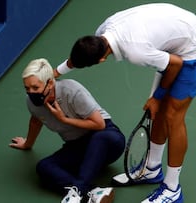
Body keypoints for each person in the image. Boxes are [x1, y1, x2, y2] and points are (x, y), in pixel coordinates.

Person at [53, 3, 196, 203]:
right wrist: (54, 73)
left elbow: (176, 64)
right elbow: (76, 59)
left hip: (194, 48)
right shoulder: (101, 33)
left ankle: (172, 190)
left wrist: (156, 98)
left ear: (102, 60)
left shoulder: (136, 51)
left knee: (172, 116)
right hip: (172, 40)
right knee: (158, 112)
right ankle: (151, 169)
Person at [9, 58, 126, 203]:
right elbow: (35, 120)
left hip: (107, 140)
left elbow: (99, 124)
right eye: (27, 88)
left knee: (100, 138)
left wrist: (64, 120)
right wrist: (27, 144)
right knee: (44, 167)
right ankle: (93, 192)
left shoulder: (71, 91)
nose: (31, 93)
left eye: (35, 87)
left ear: (50, 83)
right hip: (78, 146)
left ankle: (76, 193)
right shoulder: (32, 103)